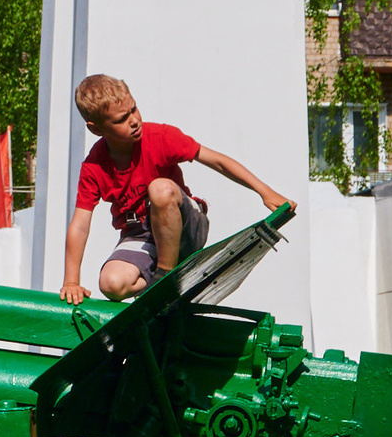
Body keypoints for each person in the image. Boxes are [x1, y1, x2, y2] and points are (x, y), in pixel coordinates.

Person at [57, 73, 292, 303]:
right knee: (111, 284)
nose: (134, 120)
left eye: (134, 109)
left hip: (185, 224)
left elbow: (217, 161)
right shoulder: (94, 166)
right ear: (96, 129)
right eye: (121, 119)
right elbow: (80, 225)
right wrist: (71, 281)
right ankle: (159, 282)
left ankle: (165, 279)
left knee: (160, 189)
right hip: (142, 234)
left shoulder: (160, 137)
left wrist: (264, 191)